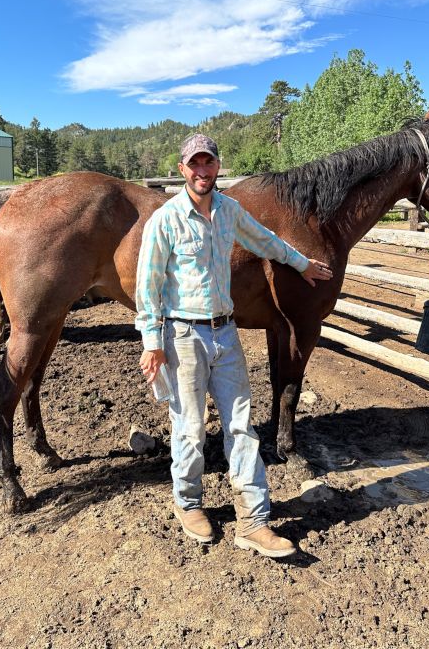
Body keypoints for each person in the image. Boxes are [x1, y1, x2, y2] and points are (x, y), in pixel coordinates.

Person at [135, 134, 333, 558]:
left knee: (241, 426)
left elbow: (267, 242)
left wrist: (302, 263)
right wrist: (152, 343)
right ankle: (188, 503)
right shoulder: (166, 220)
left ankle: (254, 520)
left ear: (217, 167)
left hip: (225, 332)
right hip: (182, 336)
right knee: (188, 427)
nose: (202, 171)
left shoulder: (228, 211)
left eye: (208, 164)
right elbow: (147, 290)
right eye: (194, 164)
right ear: (181, 168)